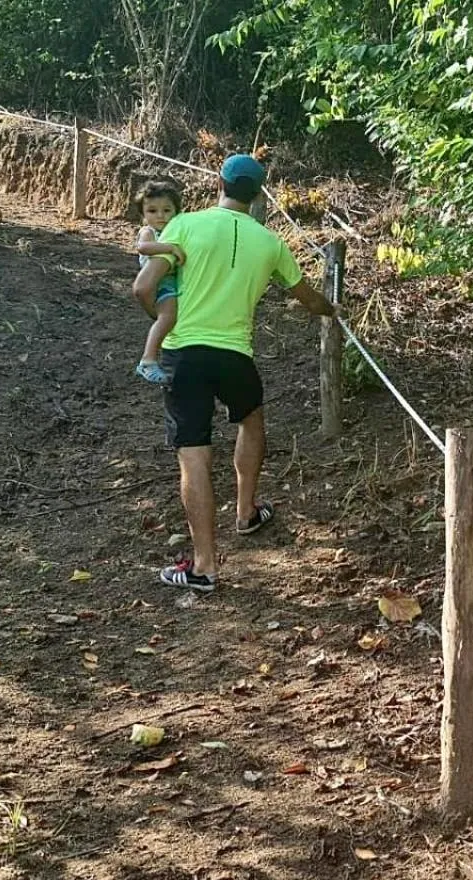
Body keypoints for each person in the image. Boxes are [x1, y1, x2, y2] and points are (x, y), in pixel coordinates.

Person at [132, 154, 336, 592]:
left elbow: (143, 286)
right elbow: (308, 298)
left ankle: (203, 567)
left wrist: (162, 320)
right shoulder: (271, 242)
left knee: (193, 452)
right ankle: (245, 511)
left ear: (218, 182)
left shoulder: (184, 225)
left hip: (184, 353)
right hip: (235, 353)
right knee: (252, 420)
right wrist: (332, 310)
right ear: (259, 193)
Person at [133, 182, 187, 385]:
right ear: (143, 215)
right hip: (160, 283)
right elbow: (143, 247)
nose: (160, 216)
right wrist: (169, 248)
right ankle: (148, 360)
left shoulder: (177, 229)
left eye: (167, 210)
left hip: (174, 282)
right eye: (152, 211)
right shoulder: (149, 232)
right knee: (167, 317)